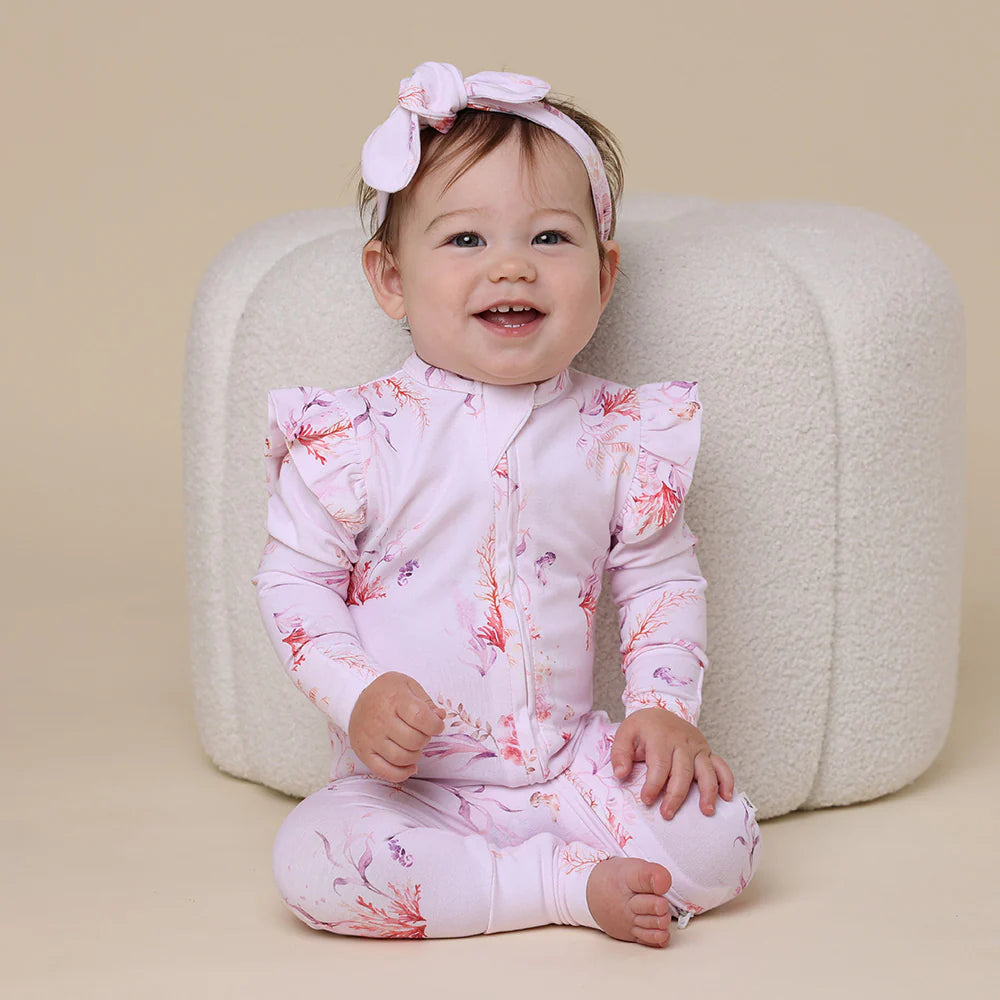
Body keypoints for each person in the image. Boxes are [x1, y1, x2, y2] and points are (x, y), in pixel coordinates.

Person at [253, 61, 760, 947]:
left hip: (570, 767)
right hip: (409, 788)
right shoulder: (358, 439)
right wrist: (358, 693)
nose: (513, 265)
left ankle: (548, 859)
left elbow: (661, 581)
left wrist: (662, 708)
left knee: (725, 841)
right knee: (317, 863)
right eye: (465, 240)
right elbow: (293, 586)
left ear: (604, 275)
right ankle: (559, 887)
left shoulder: (619, 436)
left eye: (551, 237)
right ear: (390, 279)